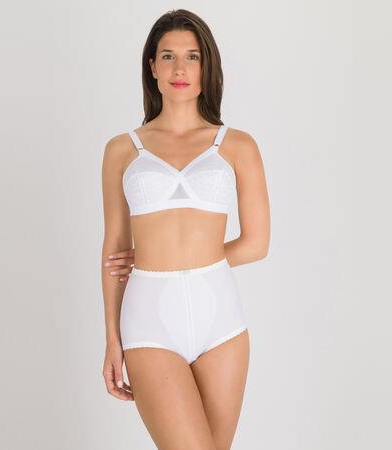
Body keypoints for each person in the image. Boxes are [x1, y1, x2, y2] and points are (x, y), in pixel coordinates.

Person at [101, 9, 270, 449]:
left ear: (206, 66)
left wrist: (191, 260)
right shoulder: (122, 149)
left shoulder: (237, 145)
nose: (180, 68)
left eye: (192, 57)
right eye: (168, 56)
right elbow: (115, 249)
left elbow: (256, 244)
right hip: (149, 320)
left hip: (221, 322)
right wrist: (112, 340)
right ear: (152, 67)